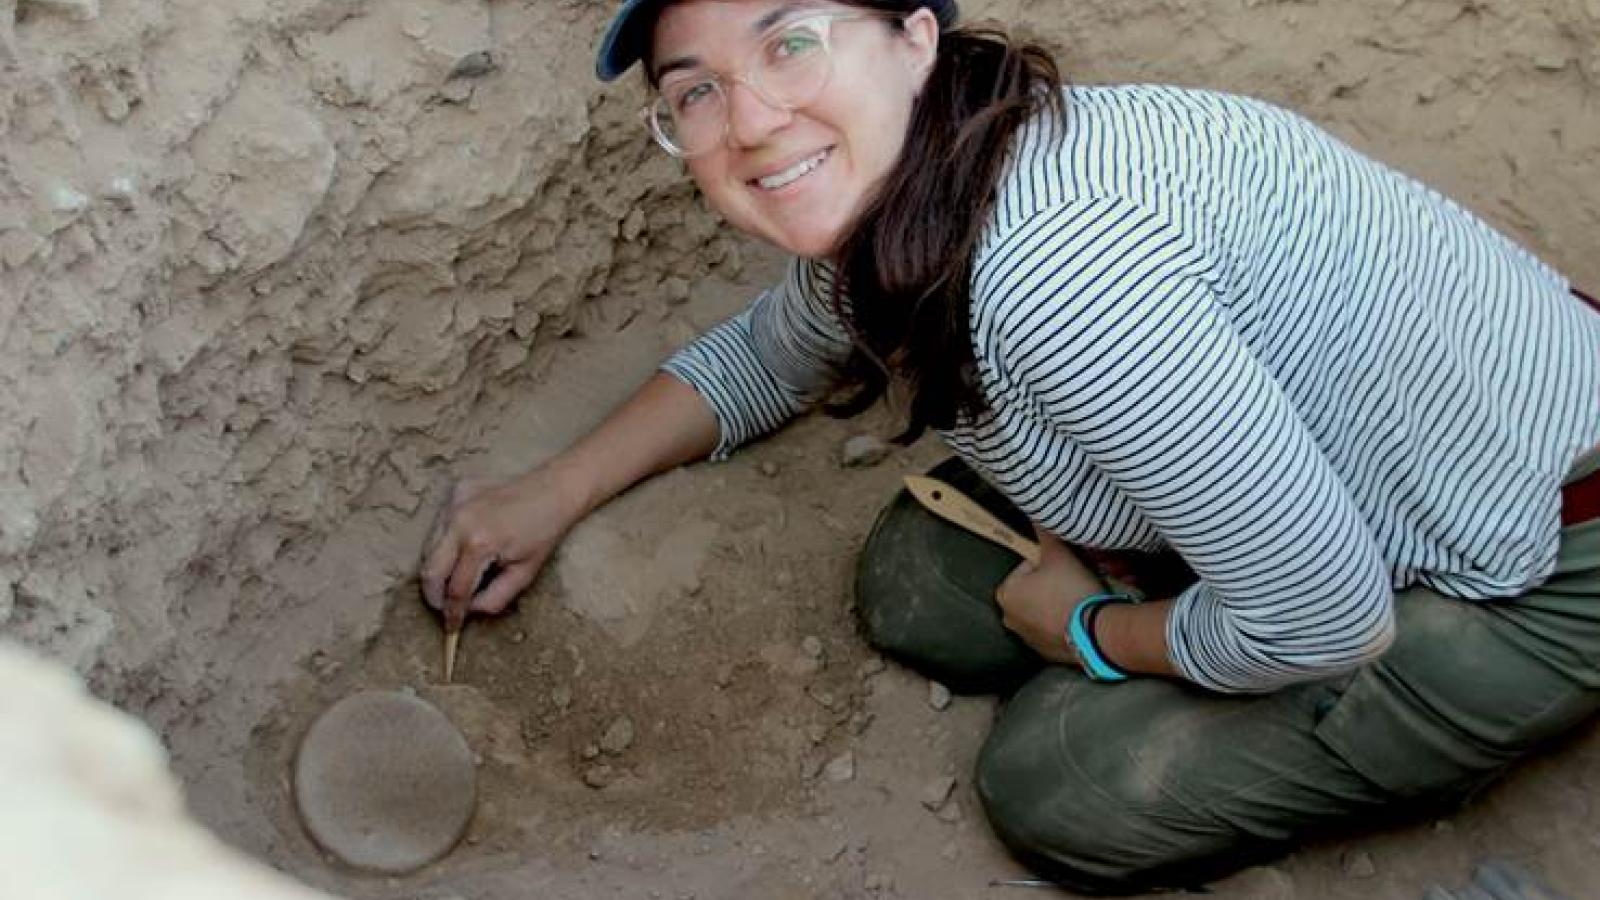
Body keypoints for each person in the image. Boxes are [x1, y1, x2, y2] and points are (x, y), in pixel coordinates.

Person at [420, 0, 1600, 892]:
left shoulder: (1060, 277)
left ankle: (1413, 708)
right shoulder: (927, 183)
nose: (751, 122)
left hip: (1532, 558)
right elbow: (775, 352)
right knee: (917, 584)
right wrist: (548, 491)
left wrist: (1089, 629)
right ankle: (1187, 585)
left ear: (914, 38)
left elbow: (1322, 622)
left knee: (1057, 779)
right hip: (1332, 477)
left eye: (789, 43)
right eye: (697, 93)